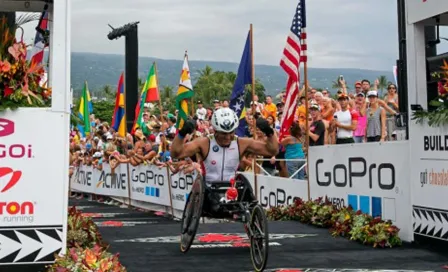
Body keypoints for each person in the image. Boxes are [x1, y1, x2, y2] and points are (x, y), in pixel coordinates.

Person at [171, 107, 279, 183]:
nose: (227, 137)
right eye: (223, 133)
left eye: (230, 133)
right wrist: (182, 133)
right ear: (215, 130)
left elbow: (272, 151)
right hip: (207, 188)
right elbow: (176, 153)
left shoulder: (242, 143)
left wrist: (269, 132)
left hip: (232, 187)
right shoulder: (204, 143)